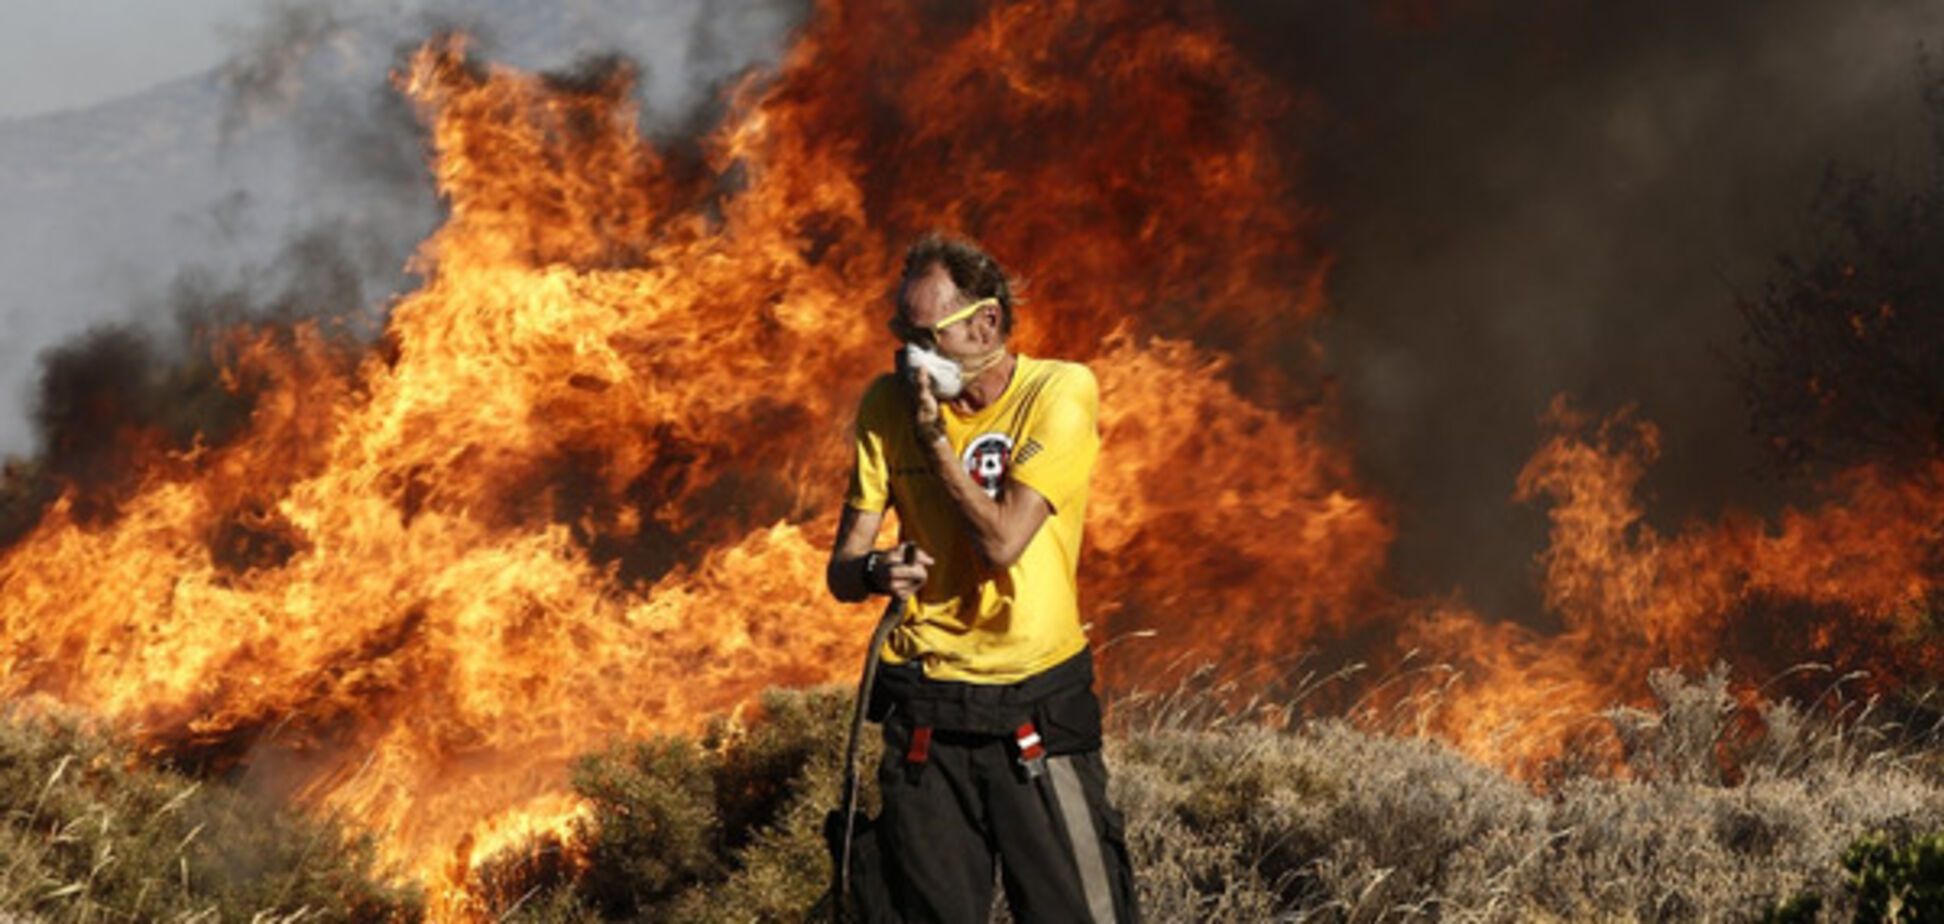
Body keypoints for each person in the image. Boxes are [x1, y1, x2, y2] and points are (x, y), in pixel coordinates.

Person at [826, 233, 1139, 923]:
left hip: (1034, 712)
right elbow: (842, 569)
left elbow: (1002, 541)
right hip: (925, 717)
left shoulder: (1059, 391)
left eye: (927, 336)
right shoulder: (884, 406)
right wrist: (878, 568)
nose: (911, 356)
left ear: (986, 323)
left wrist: (936, 440)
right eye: (900, 334)